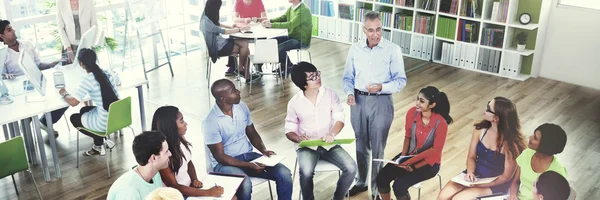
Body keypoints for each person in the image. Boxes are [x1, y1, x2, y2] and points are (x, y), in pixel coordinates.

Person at [342, 11, 407, 198]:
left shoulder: (392, 49)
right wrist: (349, 93)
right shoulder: (355, 49)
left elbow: (400, 81)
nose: (375, 34)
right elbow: (347, 77)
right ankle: (361, 182)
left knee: (378, 148)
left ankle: (377, 190)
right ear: (364, 30)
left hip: (382, 101)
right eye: (371, 30)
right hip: (358, 101)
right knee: (361, 146)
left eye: (378, 29)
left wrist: (382, 87)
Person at [203, 79, 293, 200]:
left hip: (248, 156)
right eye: (233, 91)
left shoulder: (241, 107)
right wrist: (248, 165)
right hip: (224, 164)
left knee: (284, 173)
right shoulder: (210, 122)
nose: (238, 91)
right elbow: (220, 156)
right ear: (223, 98)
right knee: (244, 184)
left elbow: (252, 132)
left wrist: (264, 150)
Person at [285, 62, 357, 200]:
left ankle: (337, 198)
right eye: (312, 77)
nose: (317, 77)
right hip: (307, 146)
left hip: (329, 143)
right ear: (303, 83)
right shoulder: (294, 102)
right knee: (305, 172)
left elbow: (339, 119)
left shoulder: (330, 94)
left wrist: (332, 134)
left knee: (351, 167)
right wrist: (298, 138)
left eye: (317, 73)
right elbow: (289, 130)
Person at [437, 97, 527, 199]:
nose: (485, 108)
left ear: (496, 118)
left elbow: (506, 177)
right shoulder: (480, 130)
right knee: (442, 197)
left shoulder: (511, 145)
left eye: (488, 108)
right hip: (475, 175)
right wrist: (470, 172)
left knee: (458, 199)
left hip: (495, 182)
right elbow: (471, 157)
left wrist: (482, 185)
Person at [375, 86, 452, 200]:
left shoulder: (441, 124)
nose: (417, 103)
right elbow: (408, 136)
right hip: (410, 156)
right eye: (417, 99)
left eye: (421, 101)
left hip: (428, 164)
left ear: (432, 105)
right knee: (382, 178)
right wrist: (402, 157)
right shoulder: (412, 113)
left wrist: (414, 166)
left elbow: (435, 152)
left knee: (399, 186)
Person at [0, 19, 63, 136]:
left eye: (12, 28)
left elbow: (38, 65)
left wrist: (50, 64)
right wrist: (6, 76)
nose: (13, 30)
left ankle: (44, 122)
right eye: (9, 30)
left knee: (62, 98)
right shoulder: (3, 54)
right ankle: (25, 130)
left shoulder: (27, 45)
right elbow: (2, 77)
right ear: (1, 35)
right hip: (20, 92)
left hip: (37, 84)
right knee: (27, 111)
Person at [59, 48, 121, 156]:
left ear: (81, 64)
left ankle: (99, 143)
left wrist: (64, 93)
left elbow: (73, 102)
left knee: (74, 118)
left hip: (104, 123)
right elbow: (119, 83)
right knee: (84, 109)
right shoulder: (106, 72)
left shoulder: (88, 80)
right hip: (118, 117)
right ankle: (99, 143)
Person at [153, 106, 225, 198]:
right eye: (181, 121)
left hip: (189, 189)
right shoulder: (161, 154)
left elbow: (189, 161)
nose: (186, 124)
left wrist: (194, 179)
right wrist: (208, 192)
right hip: (177, 196)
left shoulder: (179, 138)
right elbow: (174, 187)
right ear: (170, 126)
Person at [201, 0, 260, 83]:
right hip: (218, 48)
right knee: (245, 46)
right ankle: (243, 71)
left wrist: (231, 27)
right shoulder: (206, 22)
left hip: (221, 43)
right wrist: (239, 29)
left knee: (245, 44)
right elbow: (222, 31)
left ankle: (244, 72)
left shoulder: (206, 15)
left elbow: (217, 24)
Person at [508, 123, 568, 200]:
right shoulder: (527, 153)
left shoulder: (558, 171)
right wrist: (513, 195)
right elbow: (515, 181)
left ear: (545, 146)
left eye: (535, 138)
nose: (530, 137)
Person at [107, 131, 172, 199]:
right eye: (166, 151)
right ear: (153, 158)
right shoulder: (128, 192)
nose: (170, 154)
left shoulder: (155, 174)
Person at [261, 0, 312, 74]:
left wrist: (272, 25)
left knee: (279, 48)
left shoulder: (303, 11)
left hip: (301, 41)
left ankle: (287, 67)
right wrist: (270, 21)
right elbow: (283, 18)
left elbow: (291, 24)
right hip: (292, 37)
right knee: (270, 42)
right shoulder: (292, 8)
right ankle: (288, 65)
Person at [222, 0, 268, 75]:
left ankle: (259, 65)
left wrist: (258, 19)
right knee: (232, 37)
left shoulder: (258, 1)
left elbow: (265, 17)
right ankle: (233, 66)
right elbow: (235, 18)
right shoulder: (238, 2)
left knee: (262, 39)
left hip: (257, 29)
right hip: (244, 29)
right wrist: (244, 19)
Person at [56, 0, 98, 64]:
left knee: (90, 70)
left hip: (87, 45)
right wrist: (68, 48)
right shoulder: (60, 2)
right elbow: (60, 27)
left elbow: (94, 24)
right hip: (70, 46)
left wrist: (91, 45)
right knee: (71, 72)